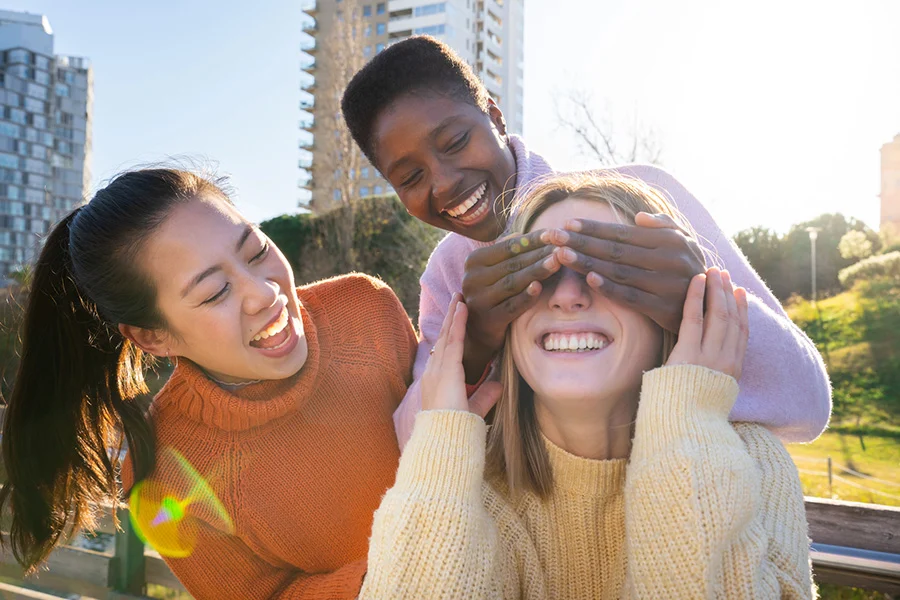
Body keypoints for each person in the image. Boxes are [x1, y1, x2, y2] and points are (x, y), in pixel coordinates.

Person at [341, 36, 830, 448]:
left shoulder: (642, 200)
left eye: (454, 142)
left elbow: (807, 404)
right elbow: (413, 445)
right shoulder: (450, 273)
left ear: (494, 117)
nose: (443, 183)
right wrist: (472, 347)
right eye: (410, 177)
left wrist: (695, 299)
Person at [358, 173, 815, 599]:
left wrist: (688, 417)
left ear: (671, 310)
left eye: (609, 269)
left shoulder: (757, 464)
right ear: (507, 324)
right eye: (538, 273)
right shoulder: (468, 486)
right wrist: (438, 445)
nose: (567, 295)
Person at [0, 169, 418, 599]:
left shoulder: (366, 308)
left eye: (256, 251)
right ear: (153, 337)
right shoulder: (166, 473)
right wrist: (410, 574)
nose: (263, 293)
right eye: (216, 292)